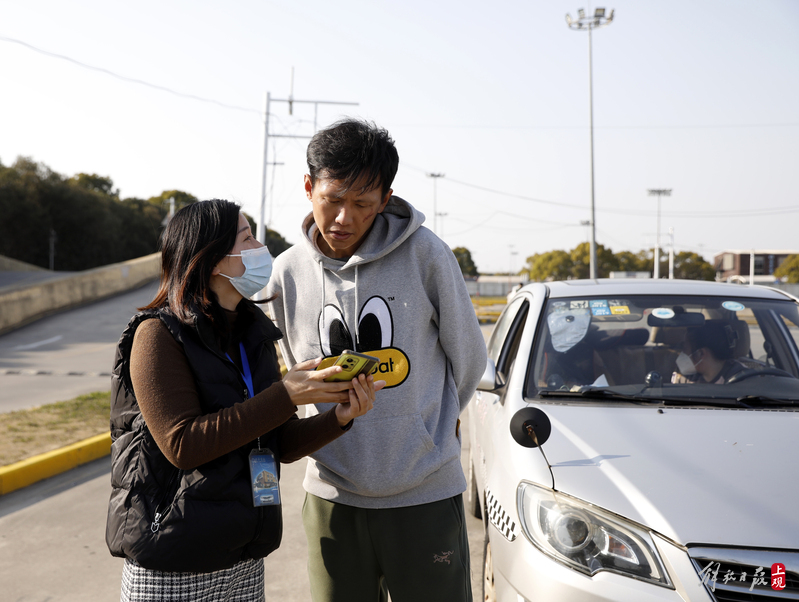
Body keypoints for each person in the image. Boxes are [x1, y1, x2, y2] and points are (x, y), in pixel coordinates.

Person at [105, 199, 383, 602]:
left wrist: (338, 418)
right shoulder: (157, 335)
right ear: (214, 259)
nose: (260, 247)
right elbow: (182, 445)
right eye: (247, 237)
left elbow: (278, 444)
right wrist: (285, 394)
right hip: (173, 561)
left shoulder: (252, 335)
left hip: (242, 559)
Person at [266, 119, 488, 602]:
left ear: (386, 199)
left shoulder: (426, 256)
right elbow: (292, 371)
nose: (344, 218)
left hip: (424, 493)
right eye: (333, 199)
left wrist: (429, 430)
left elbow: (469, 358)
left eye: (363, 204)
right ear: (309, 188)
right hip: (332, 497)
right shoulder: (287, 271)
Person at [673, 321, 746, 384]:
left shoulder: (742, 379)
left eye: (685, 349)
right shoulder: (686, 378)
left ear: (700, 353)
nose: (681, 353)